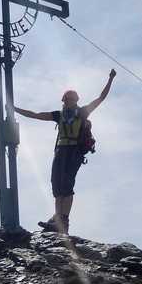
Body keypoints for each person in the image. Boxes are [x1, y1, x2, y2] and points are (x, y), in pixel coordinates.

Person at [14, 69, 116, 235]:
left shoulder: (82, 112)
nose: (65, 102)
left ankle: (63, 221)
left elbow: (101, 98)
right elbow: (36, 115)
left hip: (74, 152)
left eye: (67, 99)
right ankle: (57, 220)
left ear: (73, 100)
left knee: (66, 185)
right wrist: (16, 109)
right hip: (60, 151)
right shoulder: (59, 115)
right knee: (57, 184)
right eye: (65, 100)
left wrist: (110, 79)